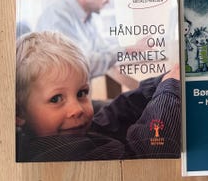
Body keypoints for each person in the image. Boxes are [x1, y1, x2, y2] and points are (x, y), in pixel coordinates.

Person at [15, 31, 180, 162]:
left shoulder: (61, 134)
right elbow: (148, 157)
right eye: (56, 99)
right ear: (19, 112)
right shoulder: (59, 155)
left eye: (81, 93)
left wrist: (161, 83)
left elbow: (108, 120)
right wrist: (169, 91)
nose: (77, 109)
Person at [36, 0, 120, 78]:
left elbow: (103, 49)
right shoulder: (58, 15)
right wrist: (122, 52)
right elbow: (79, 64)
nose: (108, 0)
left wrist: (122, 51)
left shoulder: (88, 17)